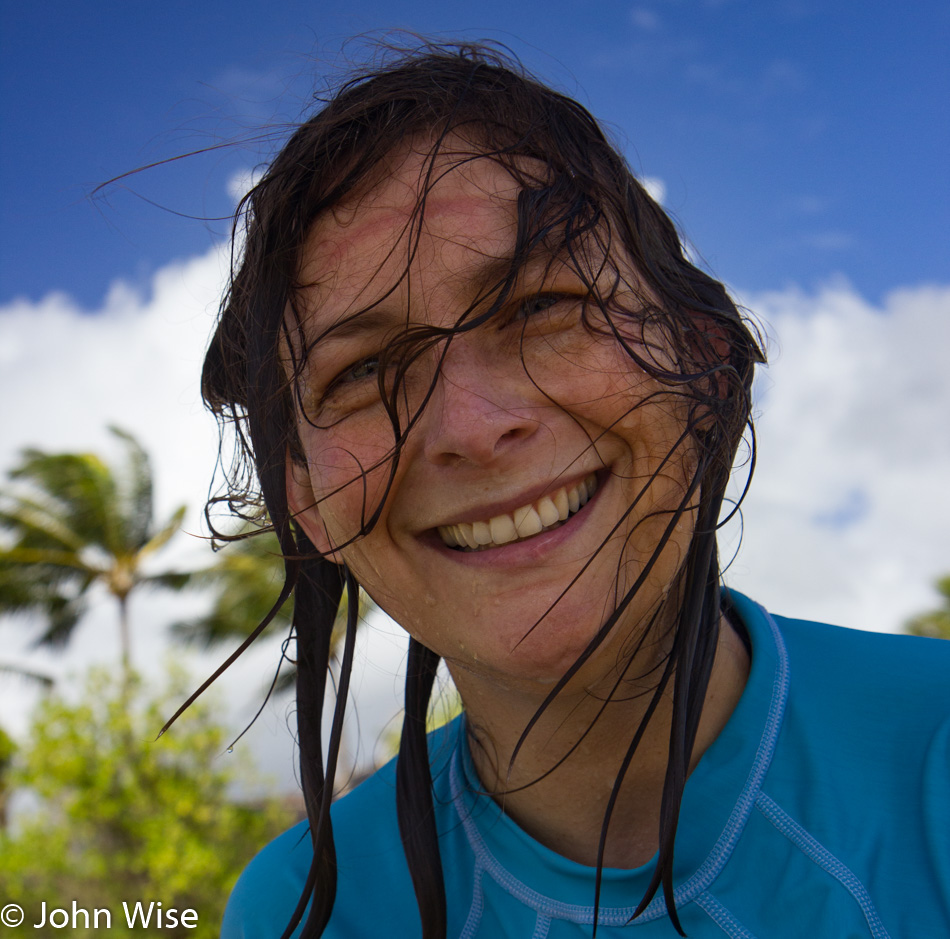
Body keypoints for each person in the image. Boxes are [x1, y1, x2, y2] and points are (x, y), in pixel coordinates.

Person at [203, 42, 950, 938]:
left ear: (706, 360)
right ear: (305, 499)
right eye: (362, 370)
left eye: (543, 307)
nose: (473, 428)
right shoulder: (306, 913)